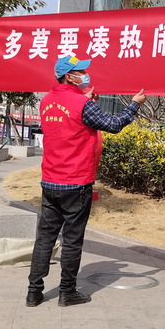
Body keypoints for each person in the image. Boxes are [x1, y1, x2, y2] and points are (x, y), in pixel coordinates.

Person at [27, 55, 146, 307]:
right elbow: (114, 124)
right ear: (69, 76)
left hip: (50, 181)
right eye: (80, 71)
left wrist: (86, 100)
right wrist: (134, 105)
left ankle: (33, 292)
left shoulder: (46, 101)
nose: (84, 74)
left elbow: (69, 122)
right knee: (72, 240)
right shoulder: (81, 104)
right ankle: (67, 292)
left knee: (45, 238)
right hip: (76, 182)